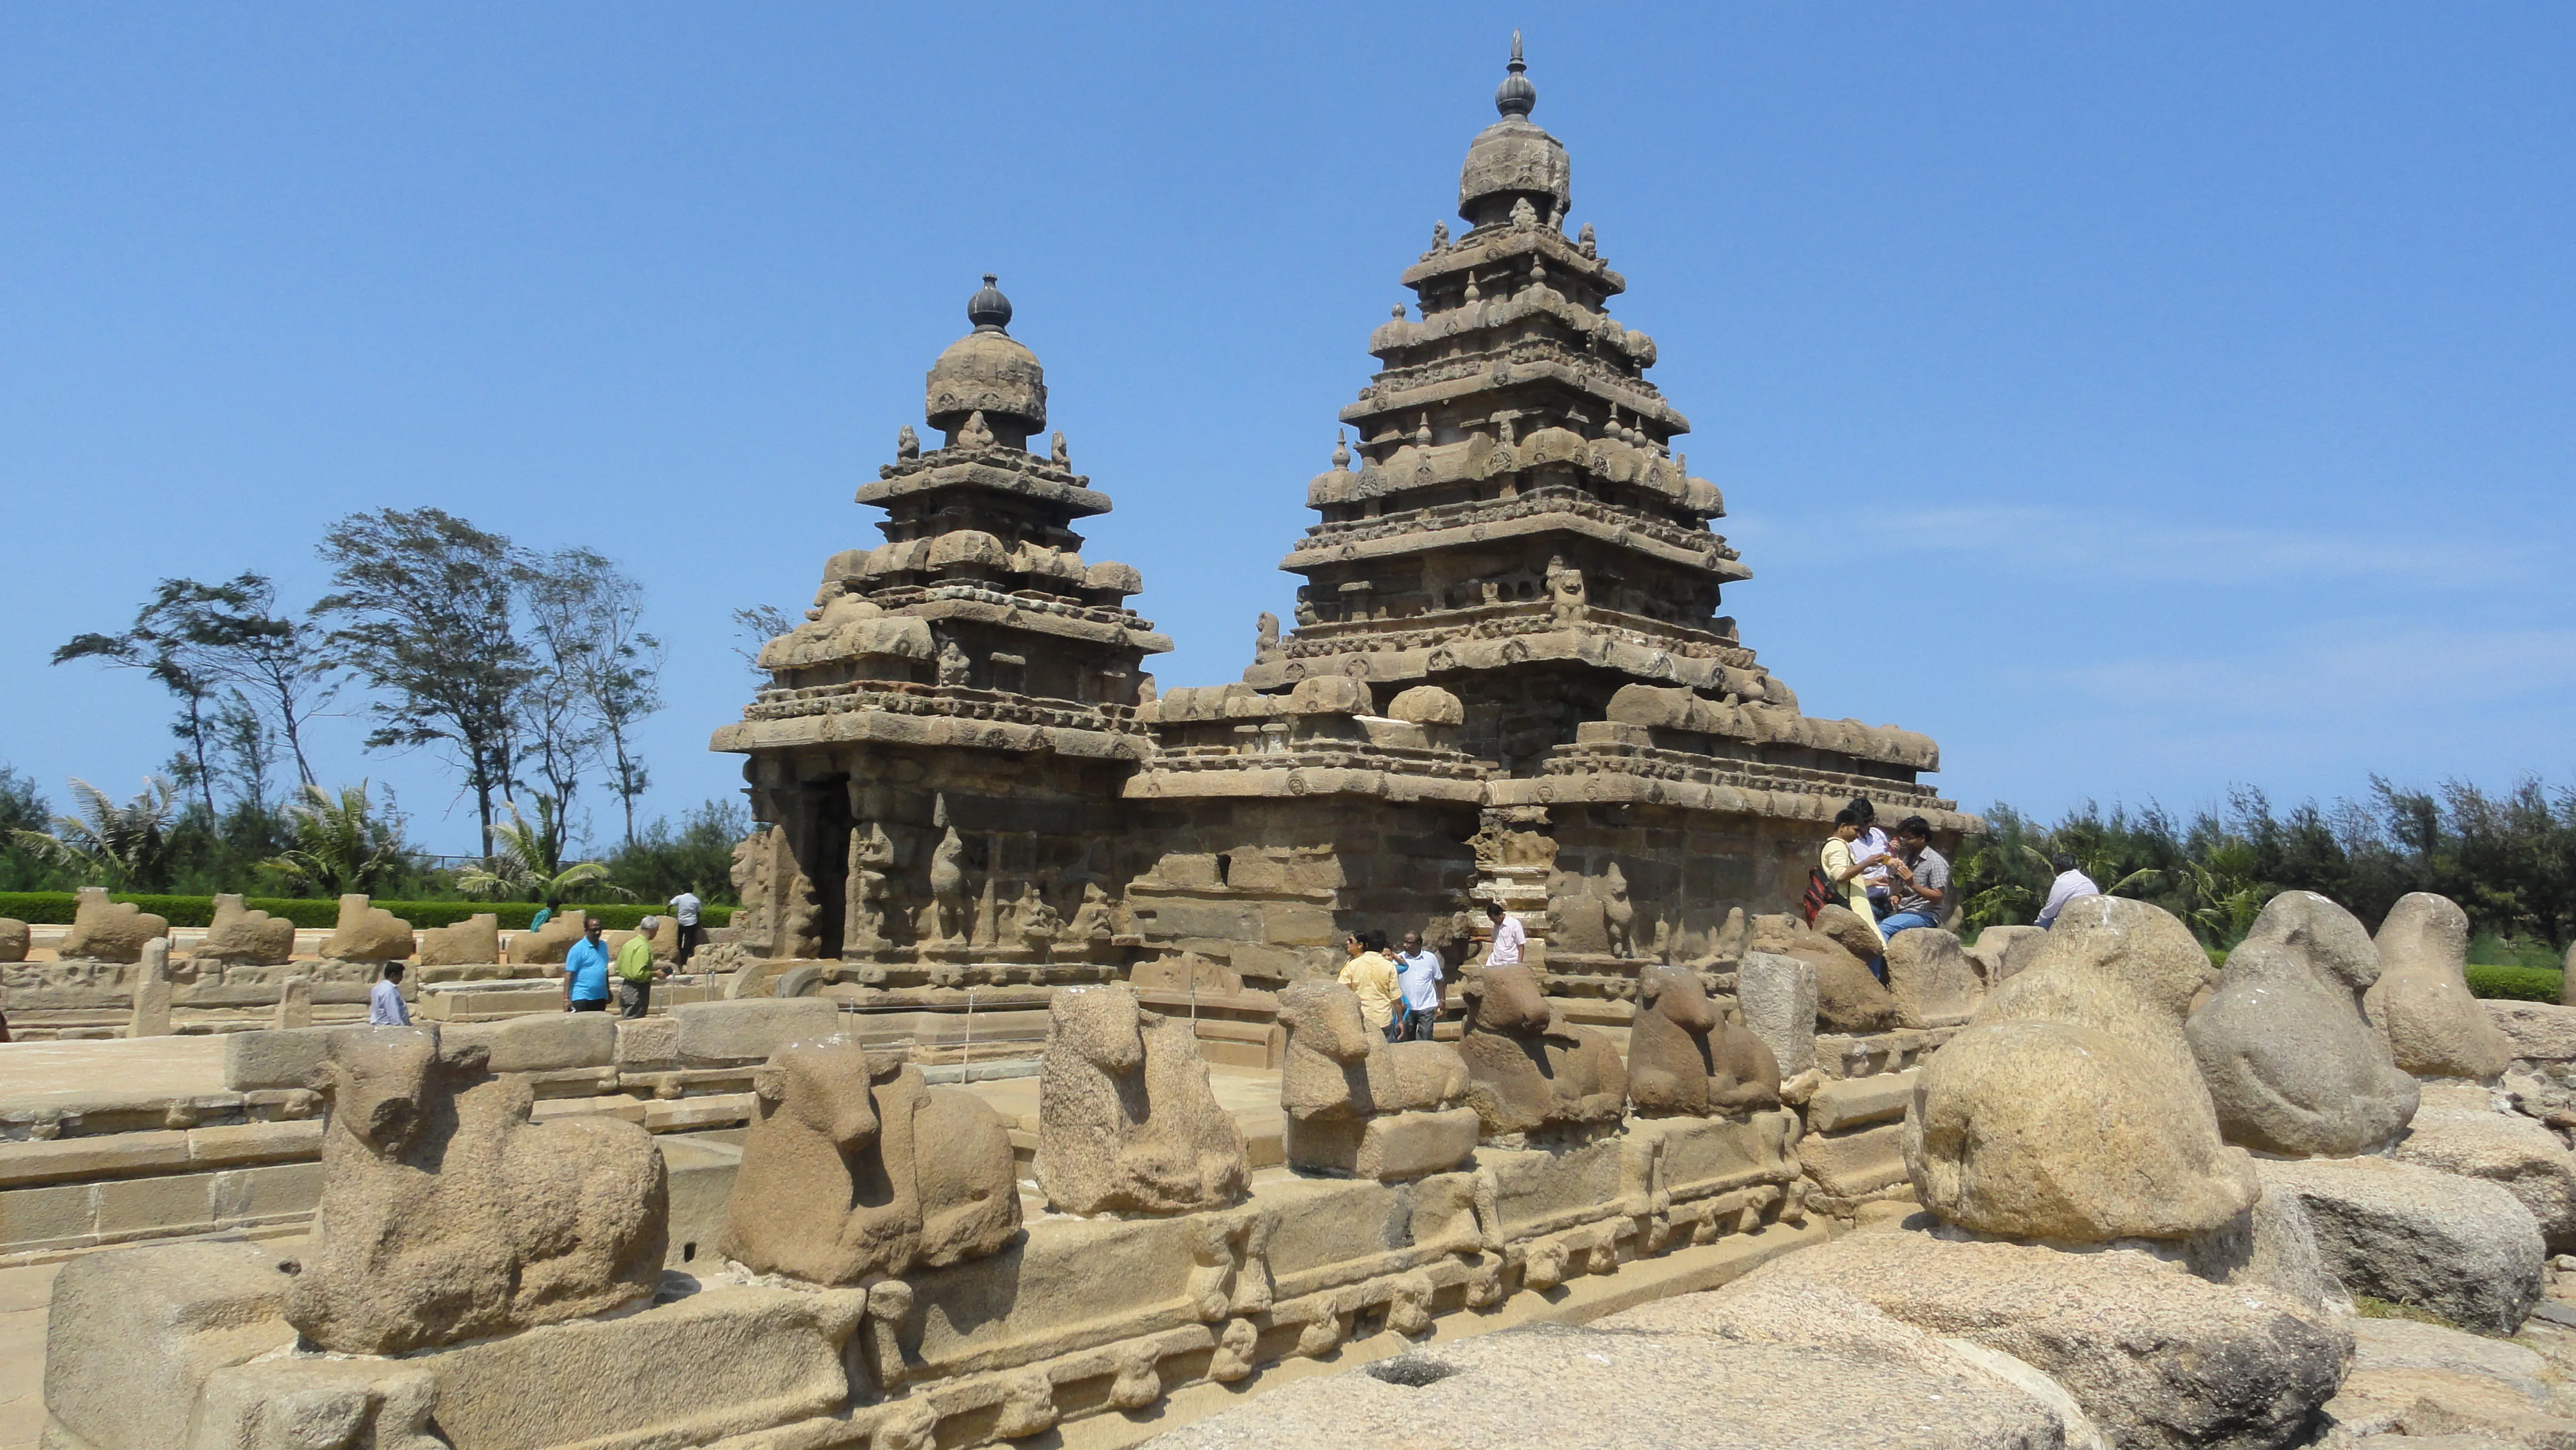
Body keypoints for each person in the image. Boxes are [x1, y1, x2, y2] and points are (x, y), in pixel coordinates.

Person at [1823, 807, 1887, 978]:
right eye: (1856, 830)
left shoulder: (1842, 846)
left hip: (1853, 909)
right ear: (1843, 827)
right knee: (1872, 949)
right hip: (1850, 910)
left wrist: (1870, 880)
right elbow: (1840, 875)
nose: (1858, 836)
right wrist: (1866, 863)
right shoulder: (1837, 846)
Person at [1878, 816, 1949, 939]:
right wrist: (1898, 896)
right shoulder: (1910, 858)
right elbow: (1908, 891)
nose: (1905, 842)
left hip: (1926, 914)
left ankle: (1877, 959)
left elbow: (1938, 897)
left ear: (1922, 838)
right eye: (1903, 838)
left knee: (1883, 928)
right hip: (1905, 910)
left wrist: (1912, 884)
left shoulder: (1935, 862)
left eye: (1909, 838)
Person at [1338, 931, 1401, 1040]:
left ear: (1367, 945)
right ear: (1383, 948)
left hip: (1362, 1019)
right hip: (1383, 1020)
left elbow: (1340, 989)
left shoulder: (1353, 965)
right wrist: (1400, 1020)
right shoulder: (1389, 967)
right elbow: (1396, 998)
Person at [1393, 929, 1445, 1042]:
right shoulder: (1399, 959)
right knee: (1407, 1039)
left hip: (1427, 1005)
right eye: (1405, 942)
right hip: (1407, 1007)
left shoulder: (1430, 958)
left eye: (1409, 943)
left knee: (1426, 1037)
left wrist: (1442, 1000)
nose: (1405, 945)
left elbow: (1439, 980)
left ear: (1419, 944)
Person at [1848, 797, 1893, 919]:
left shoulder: (1878, 835)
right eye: (1865, 822)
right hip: (1863, 901)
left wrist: (1894, 855)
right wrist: (1868, 865)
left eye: (1871, 820)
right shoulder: (1849, 843)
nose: (1869, 825)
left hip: (1884, 900)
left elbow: (1887, 862)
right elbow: (1845, 876)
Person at [615, 917, 664, 1020]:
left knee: (626, 1019)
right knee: (634, 1022)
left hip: (626, 986)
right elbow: (639, 973)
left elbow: (618, 967)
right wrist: (655, 974)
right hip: (637, 990)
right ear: (653, 930)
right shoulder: (644, 947)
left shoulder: (630, 943)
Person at [2035, 854, 2101, 929]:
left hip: (2076, 922)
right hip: (2093, 920)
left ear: (2057, 868)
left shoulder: (2063, 882)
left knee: (2043, 924)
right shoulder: (2086, 881)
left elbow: (2051, 910)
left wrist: (2037, 924)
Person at [564, 916, 612, 1012]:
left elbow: (604, 969)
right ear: (586, 931)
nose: (598, 933)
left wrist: (608, 990)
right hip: (582, 997)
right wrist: (566, 998)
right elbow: (569, 974)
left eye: (599, 929)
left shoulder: (603, 946)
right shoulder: (578, 949)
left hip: (600, 996)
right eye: (594, 930)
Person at [668, 888, 704, 968]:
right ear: (693, 890)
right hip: (691, 922)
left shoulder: (679, 898)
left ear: (683, 890)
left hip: (681, 922)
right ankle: (685, 959)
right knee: (688, 940)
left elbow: (670, 904)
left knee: (679, 939)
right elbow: (699, 912)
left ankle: (679, 955)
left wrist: (668, 913)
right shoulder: (696, 900)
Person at [1484, 901, 1528, 966]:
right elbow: (1494, 939)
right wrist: (1478, 938)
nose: (1494, 922)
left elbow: (1521, 945)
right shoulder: (1496, 925)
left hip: (1510, 962)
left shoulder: (1514, 924)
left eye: (1494, 919)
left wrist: (1519, 964)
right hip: (1495, 962)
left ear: (1501, 914)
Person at [369, 962, 411, 1026]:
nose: (402, 978)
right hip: (389, 1027)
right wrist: (402, 1029)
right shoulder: (389, 990)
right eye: (400, 975)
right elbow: (393, 1014)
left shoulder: (377, 988)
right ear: (393, 975)